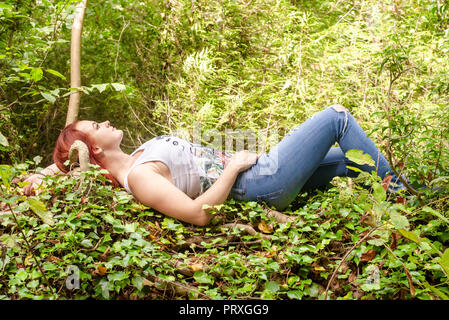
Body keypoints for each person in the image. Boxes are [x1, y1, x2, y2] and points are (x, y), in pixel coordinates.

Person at [23, 104, 407, 226]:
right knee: (337, 116)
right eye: (96, 126)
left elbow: (60, 168)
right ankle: (406, 200)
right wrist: (235, 165)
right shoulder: (139, 177)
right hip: (257, 182)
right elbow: (197, 214)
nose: (104, 122)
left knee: (352, 161)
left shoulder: (140, 156)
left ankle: (415, 197)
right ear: (95, 151)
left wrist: (40, 173)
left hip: (260, 171)